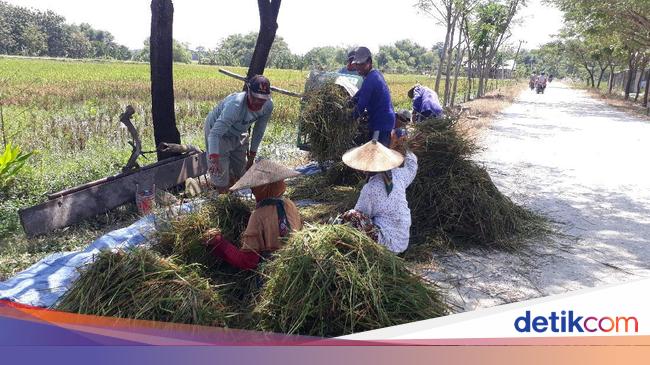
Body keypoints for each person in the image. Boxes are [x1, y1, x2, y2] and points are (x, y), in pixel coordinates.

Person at [203, 160, 303, 270]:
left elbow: (248, 262)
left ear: (264, 187)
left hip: (273, 272)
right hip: (297, 263)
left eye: (255, 187)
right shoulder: (289, 204)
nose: (252, 190)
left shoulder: (258, 215)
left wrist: (218, 242)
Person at [340, 131, 417, 254]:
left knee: (351, 216)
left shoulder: (370, 189)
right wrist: (405, 146)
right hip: (402, 240)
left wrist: (339, 222)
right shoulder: (398, 175)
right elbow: (412, 165)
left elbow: (360, 215)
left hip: (387, 244)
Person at [204, 75, 273, 193]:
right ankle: (224, 198)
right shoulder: (235, 106)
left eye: (262, 99)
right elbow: (214, 134)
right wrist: (214, 160)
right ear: (248, 92)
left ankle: (236, 192)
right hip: (218, 133)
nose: (258, 102)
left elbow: (259, 130)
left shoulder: (268, 106)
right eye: (255, 98)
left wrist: (252, 156)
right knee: (220, 174)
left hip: (239, 130)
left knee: (241, 170)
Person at [350, 46, 395, 147]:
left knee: (376, 155)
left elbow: (360, 107)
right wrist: (349, 102)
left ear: (369, 62)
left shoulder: (371, 79)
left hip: (381, 123)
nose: (358, 68)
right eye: (356, 64)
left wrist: (346, 119)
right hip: (384, 120)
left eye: (361, 64)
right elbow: (360, 93)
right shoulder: (374, 74)